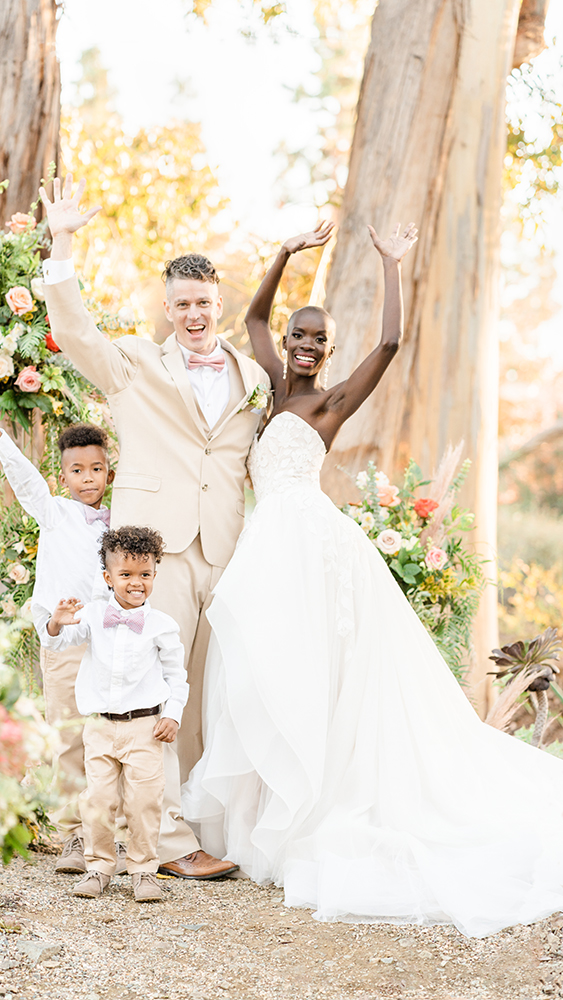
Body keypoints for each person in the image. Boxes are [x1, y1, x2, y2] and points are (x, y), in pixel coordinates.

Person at [182, 221, 563, 938]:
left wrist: (391, 263)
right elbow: (255, 317)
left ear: (326, 352)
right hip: (267, 544)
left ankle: (316, 803)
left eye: (316, 338)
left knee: (316, 672)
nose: (301, 342)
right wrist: (284, 253)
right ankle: (267, 810)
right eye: (299, 332)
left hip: (307, 541)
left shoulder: (328, 404)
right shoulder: (269, 387)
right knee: (259, 668)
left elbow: (388, 344)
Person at [38, 173, 268, 879]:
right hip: (150, 554)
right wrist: (64, 241)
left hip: (223, 550)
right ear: (167, 309)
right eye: (181, 305)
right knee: (144, 687)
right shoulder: (136, 362)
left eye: (203, 303)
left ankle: (183, 820)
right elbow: (74, 332)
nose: (193, 315)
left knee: (195, 695)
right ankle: (168, 845)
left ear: (218, 304)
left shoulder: (252, 375)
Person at [0, 382, 113, 876]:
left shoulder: (121, 518)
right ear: (63, 475)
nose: (87, 478)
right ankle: (72, 834)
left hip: (111, 645)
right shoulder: (54, 512)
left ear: (109, 469)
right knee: (68, 735)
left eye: (96, 469)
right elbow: (25, 479)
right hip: (63, 642)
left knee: (109, 736)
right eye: (77, 470)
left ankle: (112, 832)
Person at [41, 526, 188, 902]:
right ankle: (99, 867)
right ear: (108, 578)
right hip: (100, 727)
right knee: (99, 800)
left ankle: (143, 871)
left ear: (155, 574)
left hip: (145, 728)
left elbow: (176, 676)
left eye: (144, 574)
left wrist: (173, 714)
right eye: (125, 575)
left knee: (144, 801)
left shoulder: (162, 626)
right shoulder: (92, 615)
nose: (135, 583)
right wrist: (57, 621)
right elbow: (62, 640)